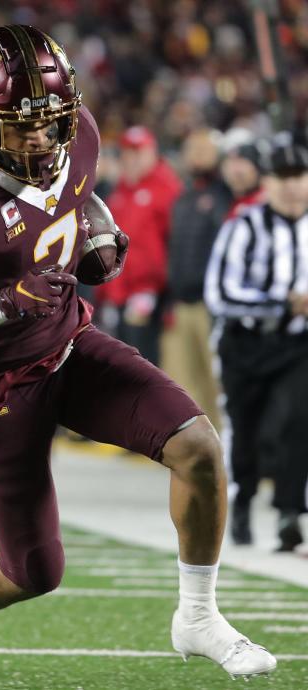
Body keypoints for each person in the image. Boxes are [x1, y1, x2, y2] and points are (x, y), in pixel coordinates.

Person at [0, 26, 275, 690]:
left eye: (52, 120)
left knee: (201, 450)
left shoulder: (81, 134)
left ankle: (199, 617)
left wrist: (98, 227)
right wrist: (6, 303)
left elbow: (76, 189)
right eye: (20, 125)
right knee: (32, 573)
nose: (41, 138)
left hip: (72, 345)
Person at [205, 134, 308, 552]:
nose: (290, 185)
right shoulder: (243, 225)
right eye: (281, 176)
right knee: (246, 430)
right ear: (267, 182)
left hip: (297, 347)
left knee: (296, 420)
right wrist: (282, 304)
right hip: (246, 343)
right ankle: (244, 500)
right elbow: (221, 294)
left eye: (298, 175)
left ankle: (288, 511)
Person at [162, 128, 233, 431]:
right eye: (193, 149)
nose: (197, 156)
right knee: (184, 383)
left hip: (211, 304)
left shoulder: (225, 195)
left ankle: (225, 449)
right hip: (181, 302)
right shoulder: (185, 196)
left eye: (204, 150)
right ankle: (195, 448)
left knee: (216, 384)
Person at [97, 125, 182, 366]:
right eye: (128, 152)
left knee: (147, 363)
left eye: (139, 152)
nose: (133, 159)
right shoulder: (119, 191)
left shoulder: (167, 188)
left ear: (152, 153)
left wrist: (167, 296)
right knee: (123, 364)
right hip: (118, 291)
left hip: (148, 294)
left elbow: (174, 243)